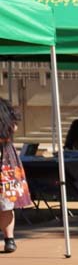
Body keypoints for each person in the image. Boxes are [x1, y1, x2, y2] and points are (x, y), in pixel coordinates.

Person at [0, 97, 31, 253]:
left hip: (6, 160)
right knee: (7, 203)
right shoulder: (9, 123)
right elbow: (15, 128)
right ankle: (9, 240)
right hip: (7, 162)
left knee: (6, 203)